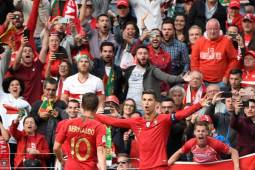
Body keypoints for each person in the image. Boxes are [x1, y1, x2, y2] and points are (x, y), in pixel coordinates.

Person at [95, 90, 209, 169]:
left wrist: (199, 104)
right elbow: (114, 121)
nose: (146, 103)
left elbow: (181, 115)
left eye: (150, 100)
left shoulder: (163, 119)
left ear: (156, 103)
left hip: (159, 166)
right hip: (143, 166)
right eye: (144, 100)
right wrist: (93, 114)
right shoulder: (136, 122)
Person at [123, 45, 189, 112]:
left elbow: (167, 78)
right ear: (136, 56)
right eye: (140, 53)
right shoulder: (130, 70)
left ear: (149, 56)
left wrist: (182, 78)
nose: (143, 55)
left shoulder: (153, 70)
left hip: (145, 109)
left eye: (145, 53)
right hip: (129, 107)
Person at [53, 93, 106, 170]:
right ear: (97, 108)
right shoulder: (100, 127)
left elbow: (56, 147)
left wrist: (62, 161)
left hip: (70, 167)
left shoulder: (67, 123)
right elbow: (100, 152)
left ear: (81, 106)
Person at [168, 121, 240, 170]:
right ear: (194, 133)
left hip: (215, 168)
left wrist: (237, 167)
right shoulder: (190, 143)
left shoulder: (215, 143)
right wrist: (167, 164)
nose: (200, 133)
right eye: (198, 131)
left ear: (207, 133)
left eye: (203, 131)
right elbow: (179, 153)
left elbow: (234, 152)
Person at [191, 18, 239, 88]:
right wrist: (197, 78)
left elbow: (234, 59)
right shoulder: (199, 42)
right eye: (210, 29)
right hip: (202, 81)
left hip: (221, 81)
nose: (212, 32)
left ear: (219, 29)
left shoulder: (226, 42)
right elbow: (194, 62)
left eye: (215, 29)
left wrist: (227, 76)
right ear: (206, 29)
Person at [8, 23, 48, 104]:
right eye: (25, 51)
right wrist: (22, 46)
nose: (27, 53)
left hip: (36, 105)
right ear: (21, 55)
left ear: (34, 56)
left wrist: (47, 31)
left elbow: (44, 48)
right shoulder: (17, 68)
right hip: (20, 104)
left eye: (30, 51)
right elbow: (16, 62)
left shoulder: (38, 66)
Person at [0, 77, 31, 167]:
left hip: (21, 141)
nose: (15, 86)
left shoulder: (26, 104)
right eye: (12, 85)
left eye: (17, 85)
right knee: (6, 166)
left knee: (19, 165)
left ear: (21, 88)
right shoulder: (3, 97)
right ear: (8, 88)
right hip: (7, 140)